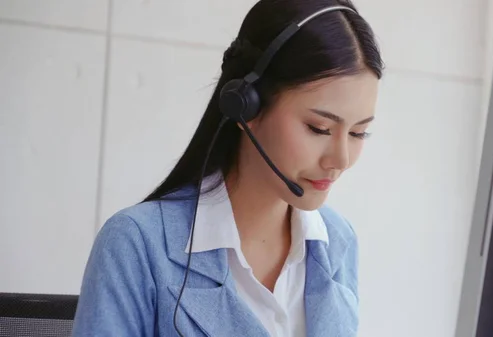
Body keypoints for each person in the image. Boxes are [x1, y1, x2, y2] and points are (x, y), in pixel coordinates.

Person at [72, 0, 383, 336]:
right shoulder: (137, 244)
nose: (341, 159)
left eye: (358, 132)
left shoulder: (338, 241)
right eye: (319, 128)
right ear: (245, 105)